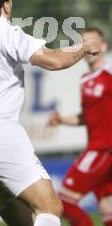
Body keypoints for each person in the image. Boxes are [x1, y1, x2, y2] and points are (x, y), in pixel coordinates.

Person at [0, 0, 101, 226]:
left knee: (26, 222)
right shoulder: (6, 32)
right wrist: (84, 48)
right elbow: (54, 60)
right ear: (6, 5)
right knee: (50, 206)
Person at [47, 27, 112, 226]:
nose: (89, 47)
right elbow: (86, 118)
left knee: (64, 201)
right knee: (107, 206)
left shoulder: (109, 72)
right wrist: (62, 120)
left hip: (102, 149)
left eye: (93, 42)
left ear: (103, 46)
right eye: (84, 43)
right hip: (97, 148)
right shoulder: (85, 80)